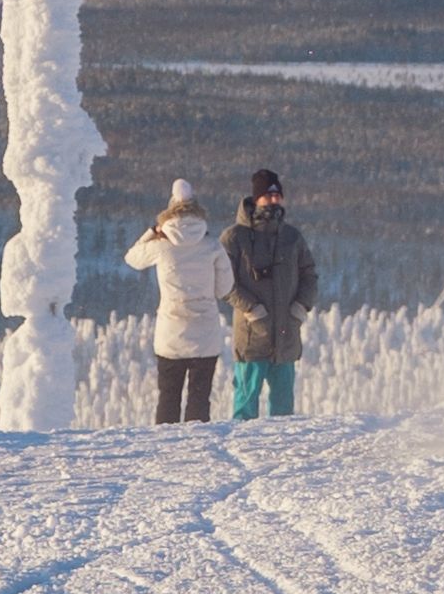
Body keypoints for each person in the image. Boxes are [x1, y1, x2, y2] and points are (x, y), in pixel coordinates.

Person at [127, 175, 235, 426]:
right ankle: (196, 449)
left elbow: (131, 258)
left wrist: (152, 233)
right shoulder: (212, 246)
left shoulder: (161, 246)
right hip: (205, 332)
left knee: (168, 397)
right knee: (199, 398)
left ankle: (165, 449)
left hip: (171, 333)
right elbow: (225, 288)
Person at [224, 166, 318, 421]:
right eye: (268, 194)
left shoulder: (292, 237)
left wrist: (301, 306)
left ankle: (281, 454)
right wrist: (251, 308)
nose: (274, 199)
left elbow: (309, 274)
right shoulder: (235, 238)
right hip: (252, 336)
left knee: (284, 410)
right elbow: (222, 282)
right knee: (245, 406)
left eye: (278, 194)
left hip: (286, 334)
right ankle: (242, 450)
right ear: (256, 198)